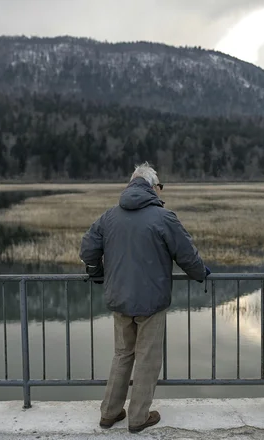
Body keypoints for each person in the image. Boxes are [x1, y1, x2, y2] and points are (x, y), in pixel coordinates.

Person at [80, 162, 210, 433]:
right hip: (151, 301)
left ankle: (109, 413)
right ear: (153, 187)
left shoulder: (109, 216)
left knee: (122, 355)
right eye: (160, 186)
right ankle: (138, 417)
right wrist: (200, 274)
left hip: (119, 299)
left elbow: (88, 248)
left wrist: (96, 273)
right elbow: (186, 254)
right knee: (147, 359)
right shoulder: (164, 217)